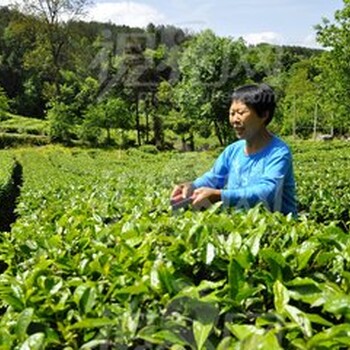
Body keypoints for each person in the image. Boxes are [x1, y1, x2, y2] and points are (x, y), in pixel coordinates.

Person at [170, 83, 297, 216]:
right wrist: (192, 187)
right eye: (232, 113)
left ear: (264, 115)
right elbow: (213, 178)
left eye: (241, 113)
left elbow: (268, 191)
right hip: (243, 226)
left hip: (277, 229)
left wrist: (220, 195)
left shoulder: (279, 152)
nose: (235, 120)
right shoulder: (232, 151)